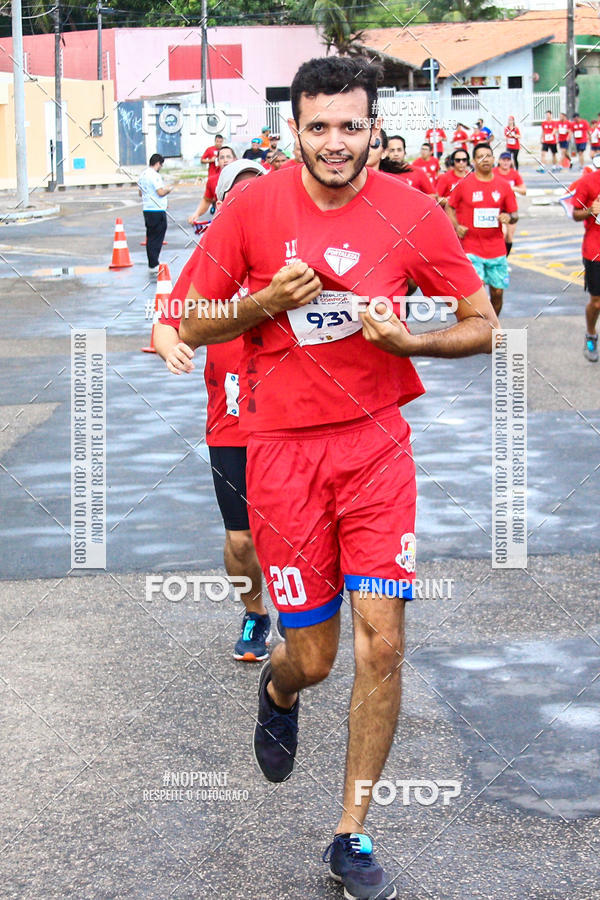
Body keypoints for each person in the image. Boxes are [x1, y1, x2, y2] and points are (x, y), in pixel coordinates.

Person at [179, 55, 497, 900]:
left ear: (373, 130)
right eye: (318, 127)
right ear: (296, 132)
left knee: (383, 643)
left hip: (376, 451)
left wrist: (412, 343)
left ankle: (350, 833)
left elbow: (482, 323)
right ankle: (280, 691)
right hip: (281, 455)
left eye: (349, 126)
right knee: (317, 658)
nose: (334, 142)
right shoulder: (251, 207)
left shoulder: (415, 214)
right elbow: (187, 318)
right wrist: (257, 305)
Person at [156, 159, 274, 658]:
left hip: (294, 423)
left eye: (257, 194)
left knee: (298, 536)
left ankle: (305, 616)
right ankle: (255, 615)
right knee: (242, 542)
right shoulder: (210, 260)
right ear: (223, 203)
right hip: (230, 428)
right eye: (236, 196)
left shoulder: (288, 253)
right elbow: (167, 320)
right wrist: (168, 345)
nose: (246, 204)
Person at [446, 142, 518, 315]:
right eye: (480, 157)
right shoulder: (464, 184)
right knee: (478, 293)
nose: (485, 160)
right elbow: (450, 206)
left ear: (494, 159)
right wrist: (456, 226)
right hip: (471, 247)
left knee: (497, 293)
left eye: (488, 156)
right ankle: (479, 331)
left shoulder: (503, 186)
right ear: (474, 161)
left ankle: (493, 326)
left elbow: (514, 214)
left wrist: (509, 217)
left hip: (496, 249)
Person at [572, 167, 600, 361]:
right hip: (595, 250)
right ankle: (591, 334)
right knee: (597, 302)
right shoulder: (589, 181)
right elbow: (575, 214)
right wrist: (590, 211)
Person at [138, 153, 175, 276]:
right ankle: (154, 264)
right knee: (157, 237)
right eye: (161, 165)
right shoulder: (155, 176)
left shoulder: (142, 175)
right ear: (158, 163)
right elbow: (160, 192)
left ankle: (152, 263)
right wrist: (169, 189)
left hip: (147, 209)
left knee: (150, 236)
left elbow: (140, 193)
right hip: (157, 210)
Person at [188, 145, 236, 224]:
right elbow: (207, 200)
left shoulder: (243, 178)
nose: (225, 160)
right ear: (218, 161)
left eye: (228, 157)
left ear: (234, 159)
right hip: (221, 222)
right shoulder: (212, 180)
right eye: (222, 157)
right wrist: (196, 214)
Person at [494, 151, 526, 256]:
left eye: (508, 160)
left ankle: (505, 258)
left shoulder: (514, 174)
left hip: (510, 207)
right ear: (499, 161)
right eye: (503, 160)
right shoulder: (494, 172)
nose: (505, 162)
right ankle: (500, 258)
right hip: (497, 207)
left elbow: (523, 191)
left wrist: (511, 188)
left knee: (509, 237)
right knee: (502, 234)